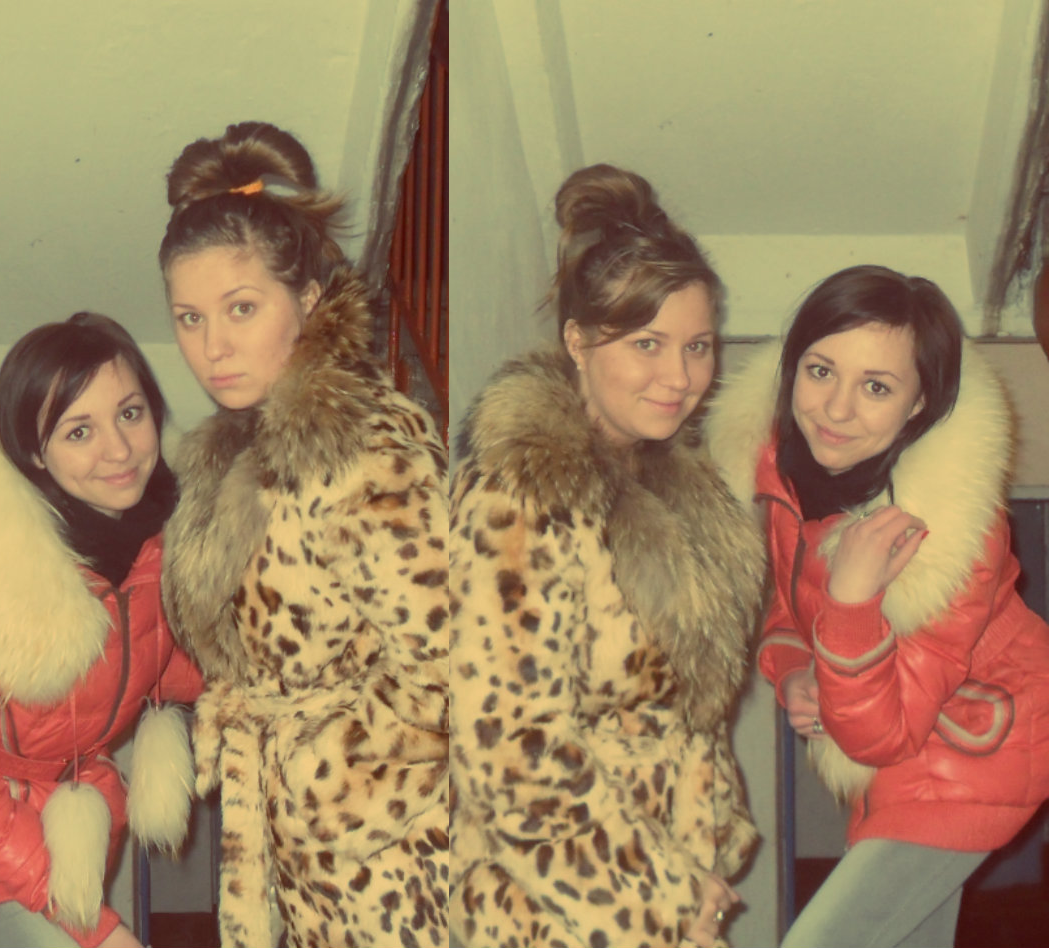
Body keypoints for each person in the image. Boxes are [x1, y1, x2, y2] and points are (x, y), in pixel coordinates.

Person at [448, 163, 764, 948]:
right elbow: (511, 750)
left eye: (698, 346)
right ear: (578, 342)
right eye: (647, 344)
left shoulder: (674, 491)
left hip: (666, 875)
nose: (681, 377)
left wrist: (699, 858)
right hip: (558, 902)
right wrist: (662, 894)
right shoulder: (521, 494)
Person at [157, 121, 452, 948]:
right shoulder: (235, 452)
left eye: (241, 309)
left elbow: (446, 660)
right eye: (188, 318)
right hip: (300, 841)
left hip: (392, 854)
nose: (212, 346)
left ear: (311, 301)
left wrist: (332, 784)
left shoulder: (364, 445)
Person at [705, 264, 1049, 947]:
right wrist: (794, 671)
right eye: (821, 371)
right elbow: (786, 612)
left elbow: (880, 734)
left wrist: (853, 601)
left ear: (918, 405)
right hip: (892, 764)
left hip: (982, 750)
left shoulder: (951, 532)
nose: (836, 410)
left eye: (876, 387)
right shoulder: (781, 472)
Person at [0, 313, 204, 948]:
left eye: (130, 413)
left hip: (64, 816)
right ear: (33, 451)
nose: (119, 450)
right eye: (79, 431)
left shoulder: (155, 541)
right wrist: (95, 926)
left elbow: (158, 659)